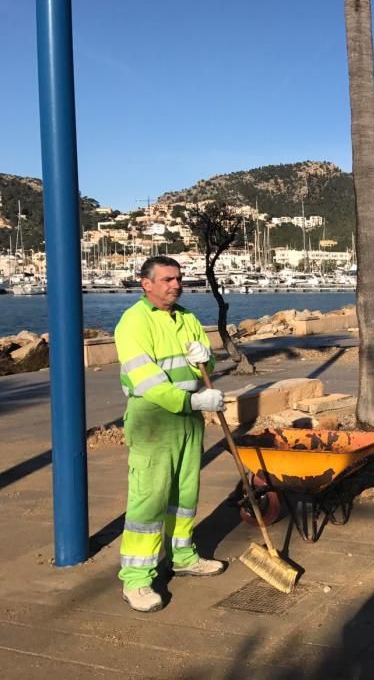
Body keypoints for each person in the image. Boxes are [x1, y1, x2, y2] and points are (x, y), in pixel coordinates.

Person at [114, 256, 227, 612]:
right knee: (149, 499)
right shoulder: (132, 323)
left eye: (178, 278)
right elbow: (147, 381)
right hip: (153, 420)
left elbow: (203, 368)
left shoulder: (189, 319)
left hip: (188, 421)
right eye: (166, 279)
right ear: (145, 283)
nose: (175, 285)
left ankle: (183, 556)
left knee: (184, 492)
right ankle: (137, 580)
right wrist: (193, 401)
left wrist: (206, 358)